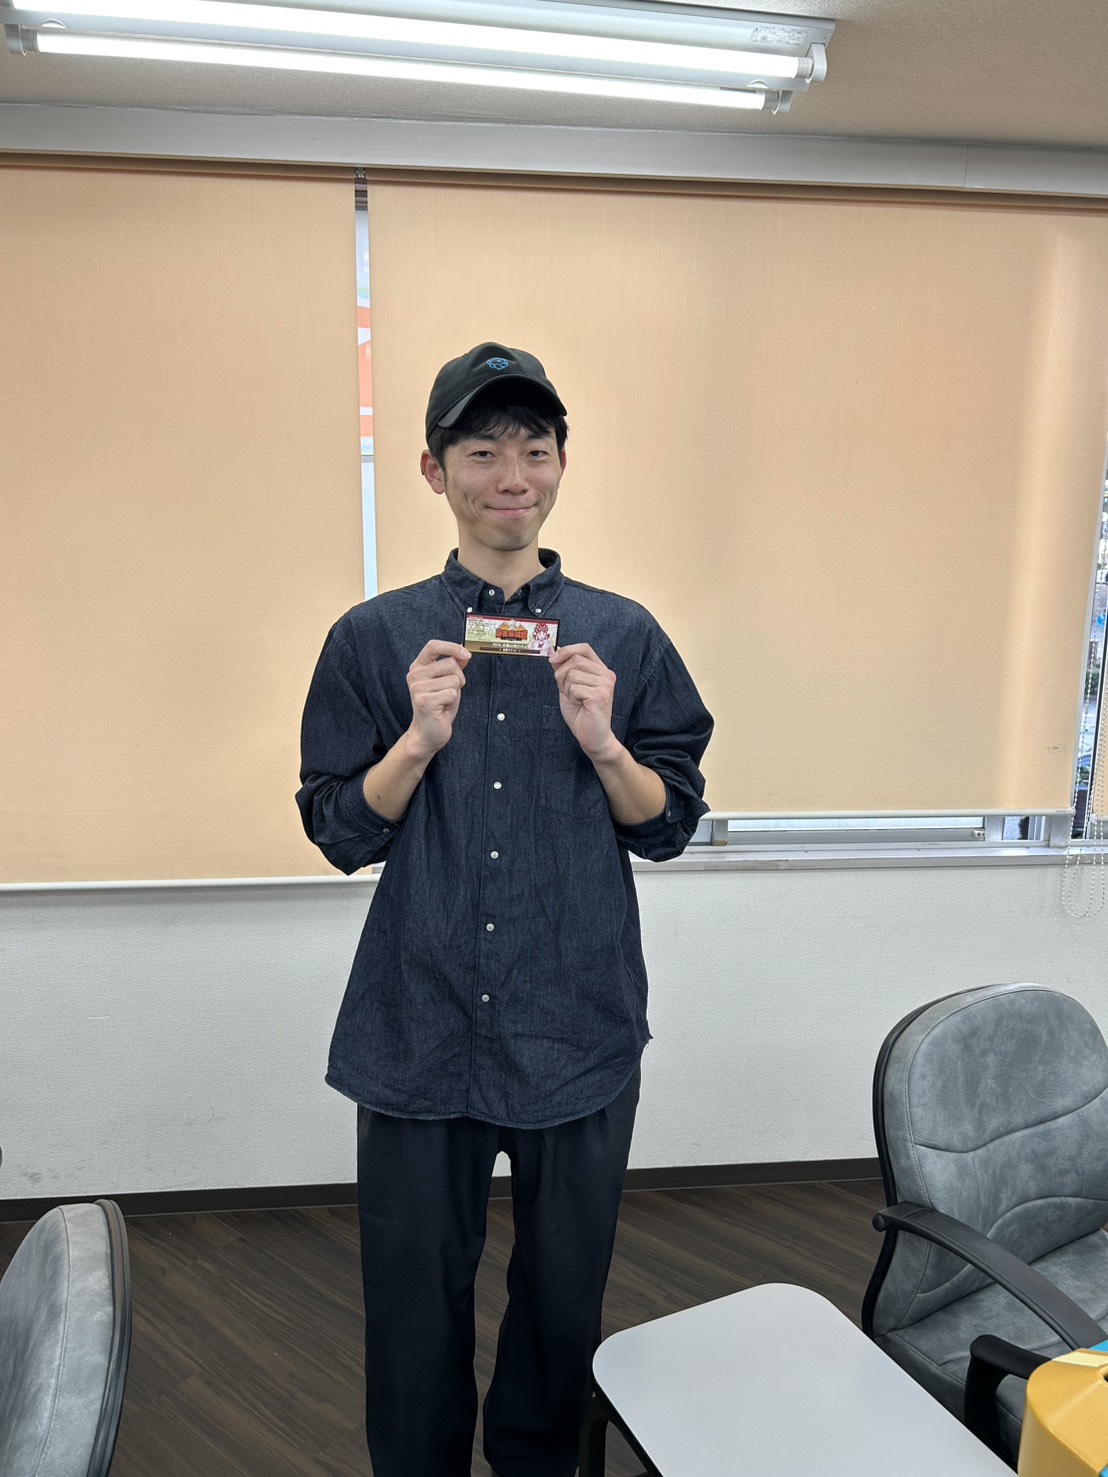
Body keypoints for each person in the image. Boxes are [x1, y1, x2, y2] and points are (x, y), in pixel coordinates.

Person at [297, 342, 713, 1477]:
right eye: (481, 450)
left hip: (575, 1017)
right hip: (416, 1019)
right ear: (435, 471)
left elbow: (667, 823)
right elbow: (338, 829)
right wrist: (415, 742)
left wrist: (606, 743)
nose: (511, 473)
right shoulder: (373, 638)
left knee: (562, 1298)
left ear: (563, 463)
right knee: (410, 1304)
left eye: (534, 447)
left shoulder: (624, 635)